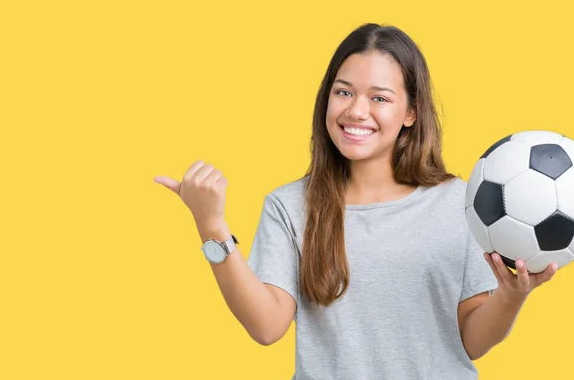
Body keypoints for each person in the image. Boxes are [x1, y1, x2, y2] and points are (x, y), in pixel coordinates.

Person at [153, 23, 558, 380]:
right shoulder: (290, 206)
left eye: (379, 98)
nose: (356, 111)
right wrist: (212, 226)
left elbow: (469, 342)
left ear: (411, 112)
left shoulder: (460, 202)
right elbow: (266, 327)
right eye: (343, 92)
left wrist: (511, 295)